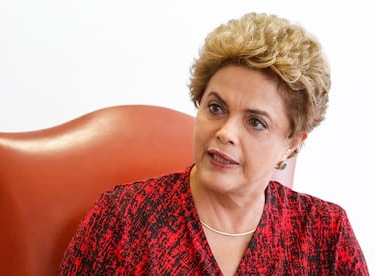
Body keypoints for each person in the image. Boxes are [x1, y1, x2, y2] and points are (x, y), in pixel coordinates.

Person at [57, 12, 369, 275]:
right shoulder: (122, 219)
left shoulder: (327, 234)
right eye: (216, 108)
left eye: (256, 122)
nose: (226, 132)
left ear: (291, 144)